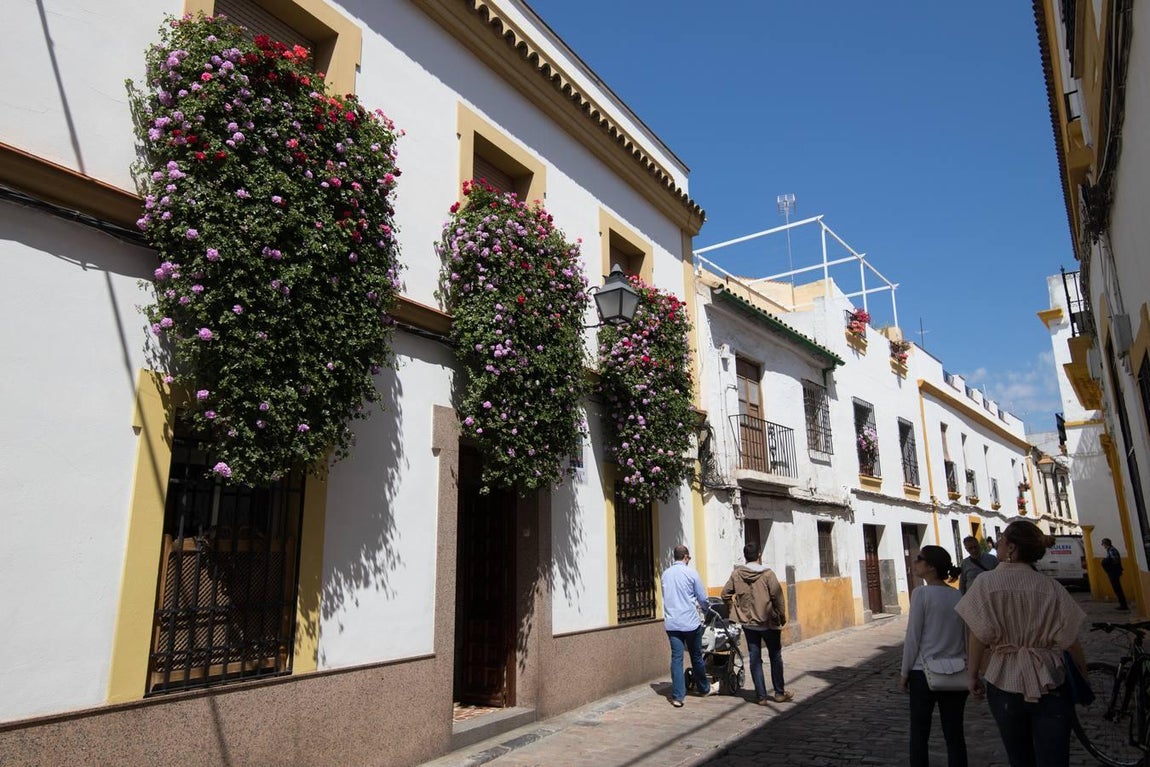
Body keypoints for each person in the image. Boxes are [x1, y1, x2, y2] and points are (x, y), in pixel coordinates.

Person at [955, 520, 1088, 767]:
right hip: (1049, 678)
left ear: (1012, 548)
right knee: (1055, 758)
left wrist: (972, 675)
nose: (999, 543)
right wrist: (1083, 671)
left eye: (1003, 539)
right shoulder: (1051, 587)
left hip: (1004, 679)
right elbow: (1070, 640)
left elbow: (978, 635)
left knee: (1018, 757)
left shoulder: (985, 583)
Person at [900, 546, 968, 767]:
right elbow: (966, 636)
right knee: (955, 734)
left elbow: (913, 637)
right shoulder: (957, 595)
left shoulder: (921, 593)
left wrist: (904, 672)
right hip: (957, 671)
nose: (915, 563)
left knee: (919, 734)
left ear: (930, 567)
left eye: (919, 559)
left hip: (923, 672)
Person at [721, 542, 794, 704]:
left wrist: (735, 610)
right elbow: (777, 597)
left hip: (748, 624)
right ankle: (779, 693)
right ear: (759, 555)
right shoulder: (768, 574)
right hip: (768, 622)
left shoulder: (737, 574)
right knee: (775, 656)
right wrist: (781, 615)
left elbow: (725, 594)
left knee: (755, 658)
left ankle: (761, 696)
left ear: (745, 556)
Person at [661, 544, 715, 707]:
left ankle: (678, 696)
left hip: (672, 623)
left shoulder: (665, 574)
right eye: (689, 558)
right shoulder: (691, 573)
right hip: (690, 622)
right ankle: (703, 687)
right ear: (685, 557)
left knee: (676, 658)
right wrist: (706, 610)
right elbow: (702, 597)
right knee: (696, 656)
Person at [1100, 537, 1130, 610]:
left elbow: (1115, 561)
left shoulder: (1112, 550)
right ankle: (1122, 604)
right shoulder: (1110, 550)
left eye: (1103, 544)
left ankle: (1123, 605)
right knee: (1117, 589)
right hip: (1114, 572)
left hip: (1114, 572)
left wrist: (1106, 561)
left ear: (1106, 544)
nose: (1103, 546)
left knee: (1117, 589)